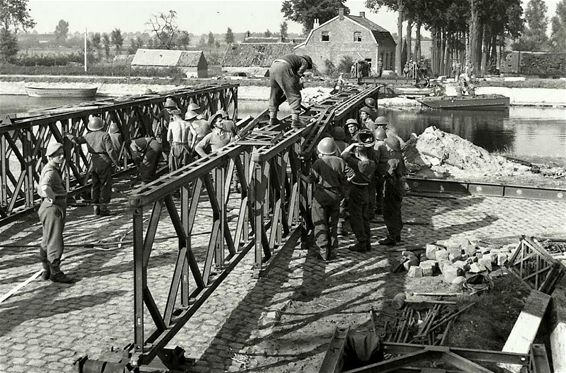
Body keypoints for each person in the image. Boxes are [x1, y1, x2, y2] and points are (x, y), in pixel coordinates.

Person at [37, 142, 75, 283]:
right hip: (53, 208)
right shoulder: (51, 171)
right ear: (50, 157)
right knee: (55, 240)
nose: (61, 157)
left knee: (47, 238)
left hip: (47, 208)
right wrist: (52, 196)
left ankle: (46, 269)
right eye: (57, 155)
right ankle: (55, 272)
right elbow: (45, 186)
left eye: (61, 154)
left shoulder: (49, 168)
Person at [66, 116, 119, 216]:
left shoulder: (88, 135)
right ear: (101, 126)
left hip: (93, 162)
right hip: (104, 161)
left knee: (95, 184)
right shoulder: (105, 135)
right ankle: (103, 208)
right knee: (105, 185)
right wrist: (116, 162)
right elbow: (110, 151)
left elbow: (77, 140)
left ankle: (95, 208)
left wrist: (69, 136)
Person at [307, 137, 349, 261]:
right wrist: (342, 185)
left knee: (319, 223)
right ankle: (333, 250)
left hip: (321, 195)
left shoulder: (319, 162)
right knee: (333, 223)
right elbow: (351, 175)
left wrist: (301, 176)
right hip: (335, 195)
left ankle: (323, 251)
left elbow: (311, 179)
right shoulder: (340, 161)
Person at [341, 130, 376, 252]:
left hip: (356, 191)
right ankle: (367, 242)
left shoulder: (358, 164)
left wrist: (352, 145)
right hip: (366, 191)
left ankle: (361, 243)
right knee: (365, 217)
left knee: (356, 218)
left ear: (358, 154)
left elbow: (343, 155)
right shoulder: (372, 163)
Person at [268, 54, 313, 128]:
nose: (306, 68)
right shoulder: (304, 61)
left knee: (275, 94)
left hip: (273, 66)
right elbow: (298, 75)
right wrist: (296, 85)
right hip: (284, 67)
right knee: (295, 95)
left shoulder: (293, 59)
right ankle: (296, 121)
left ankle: (272, 118)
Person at [378, 135, 407, 246]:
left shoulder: (392, 160)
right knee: (396, 210)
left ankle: (391, 237)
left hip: (392, 187)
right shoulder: (399, 156)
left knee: (389, 211)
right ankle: (397, 234)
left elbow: (387, 173)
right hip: (399, 186)